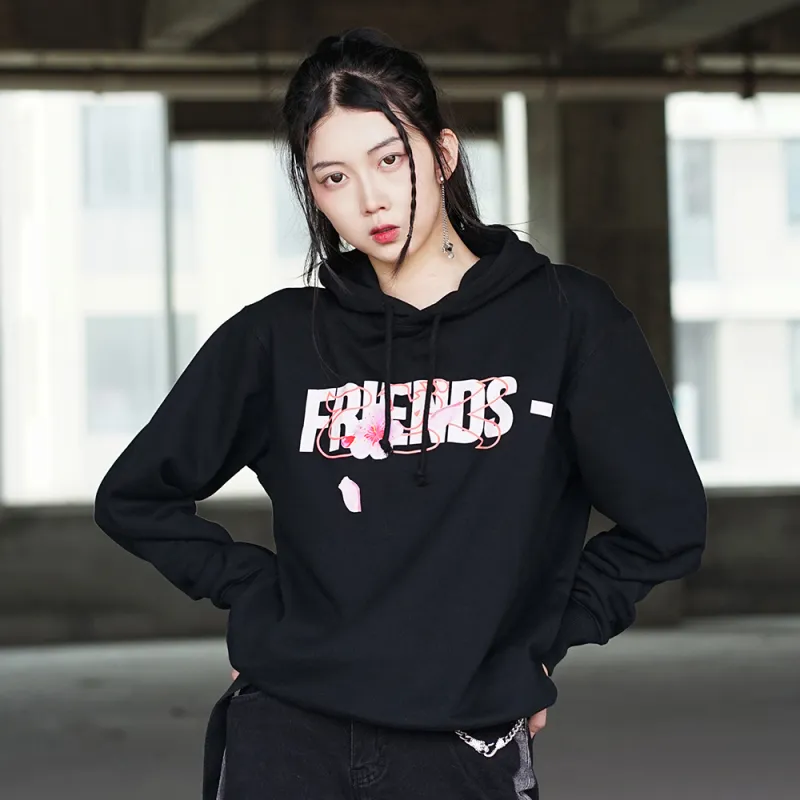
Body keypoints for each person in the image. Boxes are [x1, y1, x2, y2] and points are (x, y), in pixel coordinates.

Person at [93, 27, 708, 800]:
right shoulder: (279, 338)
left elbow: (667, 523)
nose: (370, 199)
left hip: (463, 740)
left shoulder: (566, 319)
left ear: (443, 154)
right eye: (334, 178)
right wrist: (257, 593)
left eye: (390, 160)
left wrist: (534, 641)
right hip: (288, 731)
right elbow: (135, 496)